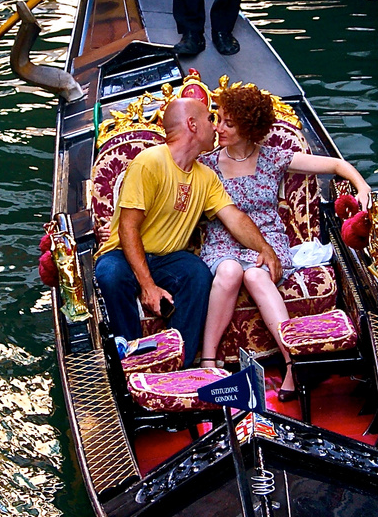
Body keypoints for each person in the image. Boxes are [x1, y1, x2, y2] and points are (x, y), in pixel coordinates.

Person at [197, 86, 371, 400]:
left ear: (249, 128)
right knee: (230, 272)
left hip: (268, 243)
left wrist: (361, 186)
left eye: (228, 123)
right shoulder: (207, 164)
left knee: (254, 274)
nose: (218, 127)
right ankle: (210, 361)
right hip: (222, 244)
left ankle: (293, 362)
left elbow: (334, 166)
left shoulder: (273, 158)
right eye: (217, 119)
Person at [94, 97, 281, 370]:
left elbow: (235, 218)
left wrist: (265, 249)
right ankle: (130, 363)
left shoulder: (205, 176)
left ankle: (178, 366)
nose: (215, 127)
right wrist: (147, 285)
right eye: (210, 119)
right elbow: (128, 227)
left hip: (169, 258)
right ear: (192, 124)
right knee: (110, 274)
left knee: (197, 274)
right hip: (123, 253)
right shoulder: (150, 162)